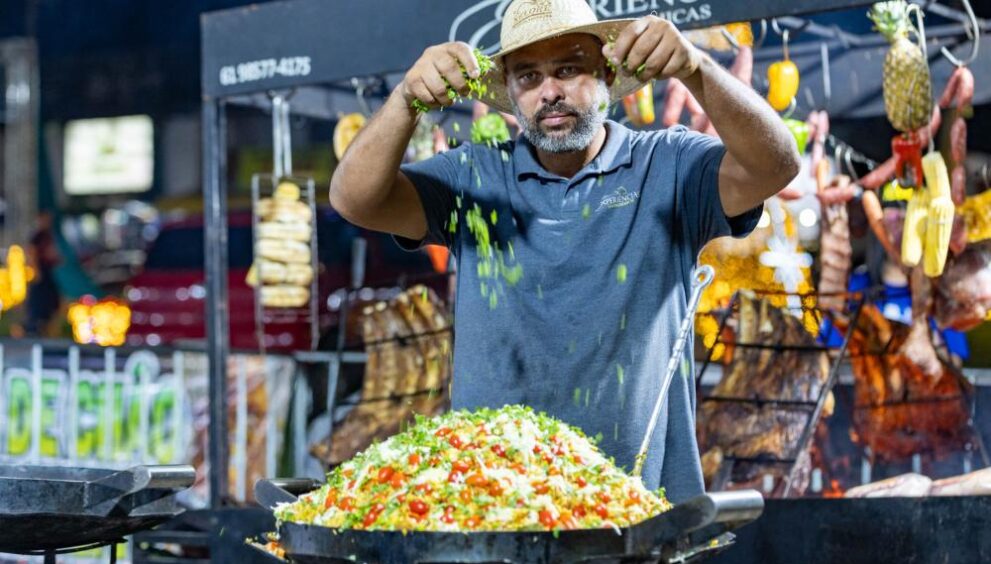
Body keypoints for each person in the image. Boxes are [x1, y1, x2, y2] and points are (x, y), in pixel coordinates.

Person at [330, 0, 800, 503]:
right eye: (528, 76)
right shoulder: (472, 178)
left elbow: (775, 166)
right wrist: (406, 99)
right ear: (510, 91)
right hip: (496, 507)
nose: (549, 91)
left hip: (642, 508)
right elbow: (354, 199)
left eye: (569, 69)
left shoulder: (667, 165)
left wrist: (697, 69)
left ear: (607, 73)